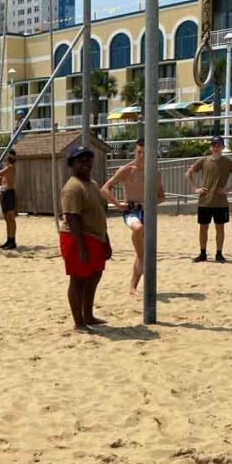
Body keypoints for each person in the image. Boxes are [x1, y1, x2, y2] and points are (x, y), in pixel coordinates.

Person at [101, 138, 165, 295]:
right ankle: (142, 259)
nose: (141, 155)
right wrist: (117, 204)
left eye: (145, 153)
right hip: (130, 210)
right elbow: (105, 189)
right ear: (135, 152)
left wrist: (150, 204)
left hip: (147, 212)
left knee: (143, 249)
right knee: (137, 229)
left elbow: (162, 197)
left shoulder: (155, 173)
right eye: (139, 152)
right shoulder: (126, 170)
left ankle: (133, 287)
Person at [59, 146, 111, 330]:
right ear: (72, 164)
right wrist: (81, 249)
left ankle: (88, 315)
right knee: (78, 280)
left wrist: (106, 241)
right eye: (81, 161)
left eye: (88, 160)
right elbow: (72, 218)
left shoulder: (92, 184)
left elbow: (99, 213)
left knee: (94, 276)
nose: (86, 164)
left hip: (96, 237)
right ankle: (79, 321)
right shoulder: (72, 187)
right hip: (78, 238)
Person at [186, 135, 232, 263]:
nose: (216, 147)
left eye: (219, 145)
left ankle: (219, 254)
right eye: (214, 145)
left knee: (220, 228)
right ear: (211, 147)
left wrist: (228, 189)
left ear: (223, 147)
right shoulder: (204, 160)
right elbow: (188, 173)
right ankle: (203, 253)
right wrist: (195, 188)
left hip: (220, 202)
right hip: (204, 201)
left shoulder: (228, 162)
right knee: (203, 228)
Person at [0, 149, 19, 250]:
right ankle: (9, 239)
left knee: (11, 218)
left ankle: (12, 241)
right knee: (7, 219)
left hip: (9, 193)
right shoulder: (6, 168)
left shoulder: (10, 167)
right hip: (4, 193)